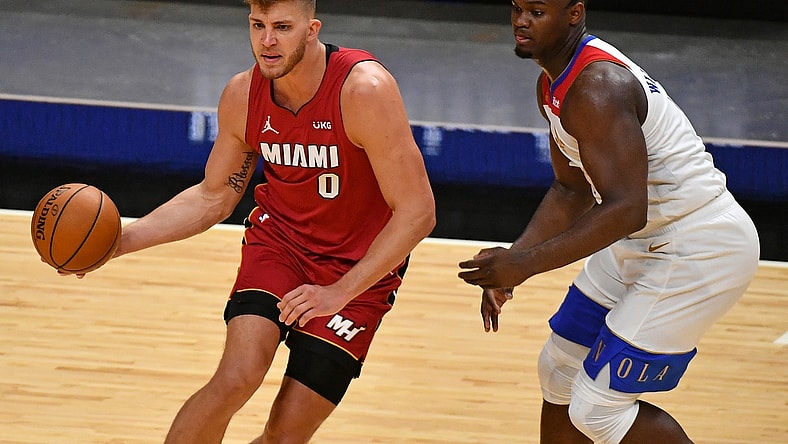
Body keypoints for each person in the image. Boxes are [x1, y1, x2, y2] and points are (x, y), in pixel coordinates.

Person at [88, 0, 435, 442]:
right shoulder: (242, 94)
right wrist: (119, 242)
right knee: (237, 376)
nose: (267, 41)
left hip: (357, 269)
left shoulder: (363, 89)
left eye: (283, 27)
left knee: (285, 435)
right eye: (258, 25)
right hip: (281, 246)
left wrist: (337, 293)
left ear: (312, 29)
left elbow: (418, 212)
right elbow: (214, 196)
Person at [458, 1, 759, 443]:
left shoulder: (597, 87)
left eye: (538, 11)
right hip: (643, 240)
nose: (522, 21)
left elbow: (625, 208)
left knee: (598, 408)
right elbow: (572, 190)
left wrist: (524, 265)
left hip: (696, 244)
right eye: (517, 8)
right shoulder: (554, 83)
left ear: (575, 14)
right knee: (558, 369)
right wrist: (513, 263)